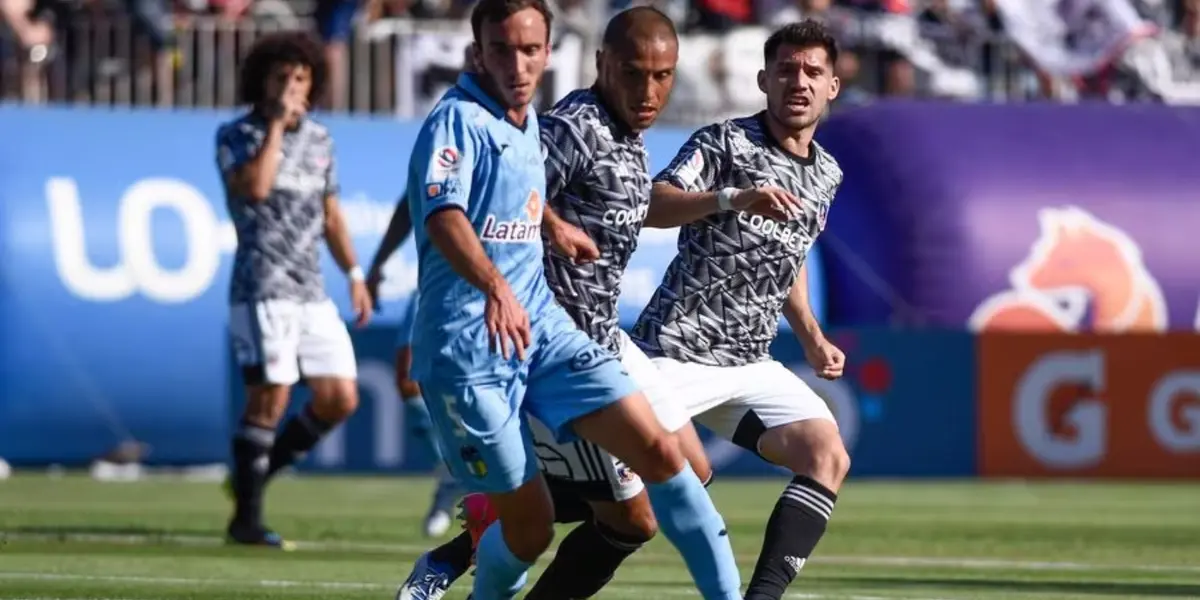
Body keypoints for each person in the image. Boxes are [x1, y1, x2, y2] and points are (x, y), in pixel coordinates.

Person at [396, 7, 764, 600]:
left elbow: (527, 188)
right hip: (543, 333)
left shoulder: (613, 132)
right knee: (628, 517)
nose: (648, 91)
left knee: (687, 470)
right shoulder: (570, 127)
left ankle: (479, 530)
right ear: (601, 64)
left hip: (596, 334)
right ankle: (472, 540)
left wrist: (556, 223)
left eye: (662, 76)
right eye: (634, 73)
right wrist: (500, 282)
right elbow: (458, 205)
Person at [636, 19, 851, 600]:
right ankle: (464, 545)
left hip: (749, 364)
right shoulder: (725, 142)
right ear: (763, 79)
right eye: (786, 70)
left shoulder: (827, 174)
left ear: (832, 86)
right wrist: (731, 199)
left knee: (826, 455)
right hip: (673, 353)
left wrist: (811, 335)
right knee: (612, 504)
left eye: (813, 72)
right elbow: (653, 203)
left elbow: (788, 257)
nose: (799, 82)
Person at [216, 31, 372, 549]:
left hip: (311, 290)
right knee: (271, 397)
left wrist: (355, 274)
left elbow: (331, 215)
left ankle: (254, 476)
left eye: (300, 78)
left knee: (340, 397)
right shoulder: (237, 135)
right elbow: (257, 187)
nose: (291, 87)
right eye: (281, 77)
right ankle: (246, 521)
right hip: (263, 286)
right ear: (261, 81)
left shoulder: (322, 141)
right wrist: (277, 127)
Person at [365, 194, 466, 539]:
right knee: (409, 377)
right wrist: (379, 261)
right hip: (437, 278)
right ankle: (451, 473)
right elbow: (411, 199)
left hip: (503, 278)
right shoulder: (438, 161)